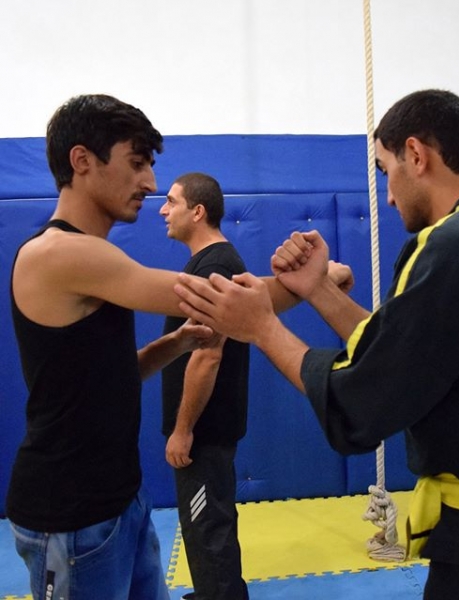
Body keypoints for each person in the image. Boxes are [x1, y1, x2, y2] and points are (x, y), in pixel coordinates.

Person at [173, 89, 459, 599]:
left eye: (385, 169)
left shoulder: (454, 246)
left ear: (415, 155)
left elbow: (360, 406)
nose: (390, 196)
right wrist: (318, 288)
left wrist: (261, 326)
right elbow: (406, 352)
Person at [5, 94, 302, 600]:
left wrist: (175, 343)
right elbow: (221, 300)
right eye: (137, 164)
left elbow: (107, 376)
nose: (149, 183)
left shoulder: (93, 256)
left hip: (121, 502)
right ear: (82, 161)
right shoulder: (61, 253)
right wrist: (313, 281)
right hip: (70, 516)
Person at [159, 173, 249, 600]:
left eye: (171, 201)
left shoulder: (215, 266)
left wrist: (183, 429)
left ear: (197, 212)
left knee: (208, 530)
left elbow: (208, 355)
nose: (163, 210)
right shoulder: (209, 263)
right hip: (206, 431)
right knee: (204, 528)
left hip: (203, 433)